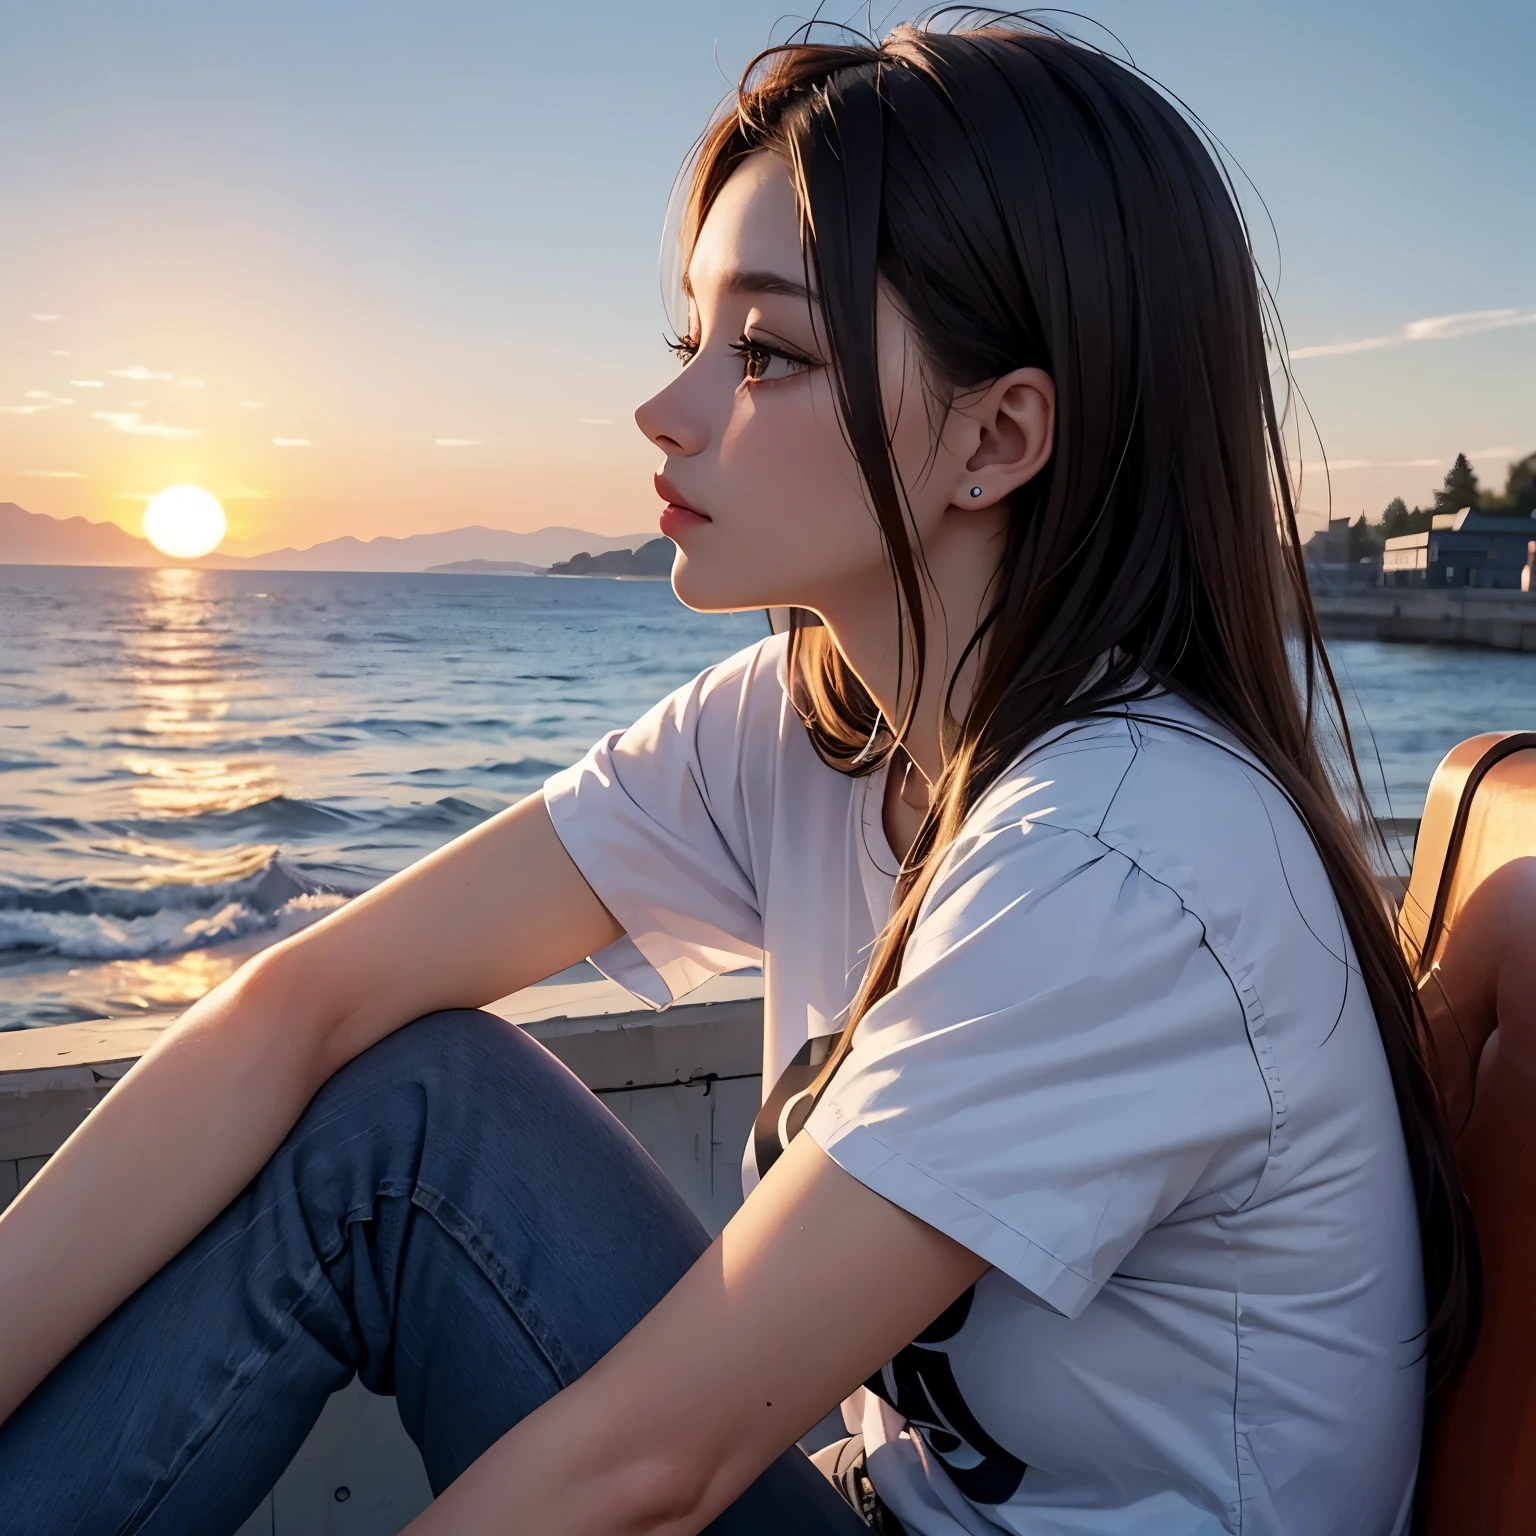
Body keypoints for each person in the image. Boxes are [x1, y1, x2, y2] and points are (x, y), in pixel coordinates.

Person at [0, 16, 1475, 1536]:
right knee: (415, 1107)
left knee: (418, 1145)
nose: (670, 409)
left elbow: (651, 1474)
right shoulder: (810, 723)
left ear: (999, 437)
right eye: (691, 340)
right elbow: (303, 1003)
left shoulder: (1124, 862)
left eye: (765, 354)